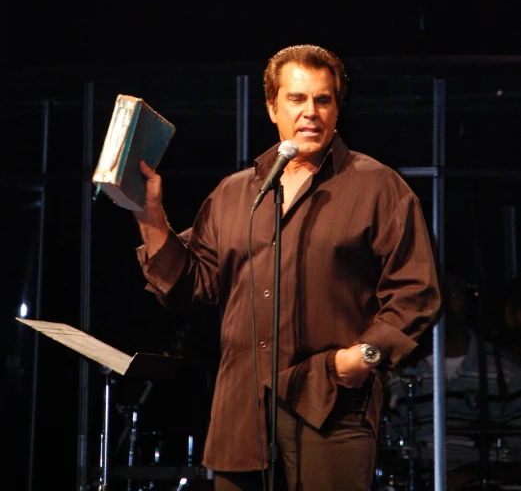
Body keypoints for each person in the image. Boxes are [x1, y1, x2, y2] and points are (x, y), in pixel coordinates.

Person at [132, 43, 441, 491]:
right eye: (296, 99)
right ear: (272, 107)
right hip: (243, 412)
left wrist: (364, 358)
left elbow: (417, 292)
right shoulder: (236, 192)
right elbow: (190, 287)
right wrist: (151, 218)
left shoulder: (377, 186)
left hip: (329, 406)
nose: (310, 112)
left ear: (338, 108)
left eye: (323, 99)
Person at [384, 270, 521, 490]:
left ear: (468, 301)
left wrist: (468, 476)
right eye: (435, 297)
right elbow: (388, 451)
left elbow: (517, 453)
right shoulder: (398, 375)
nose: (443, 305)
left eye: (453, 294)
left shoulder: (505, 372)